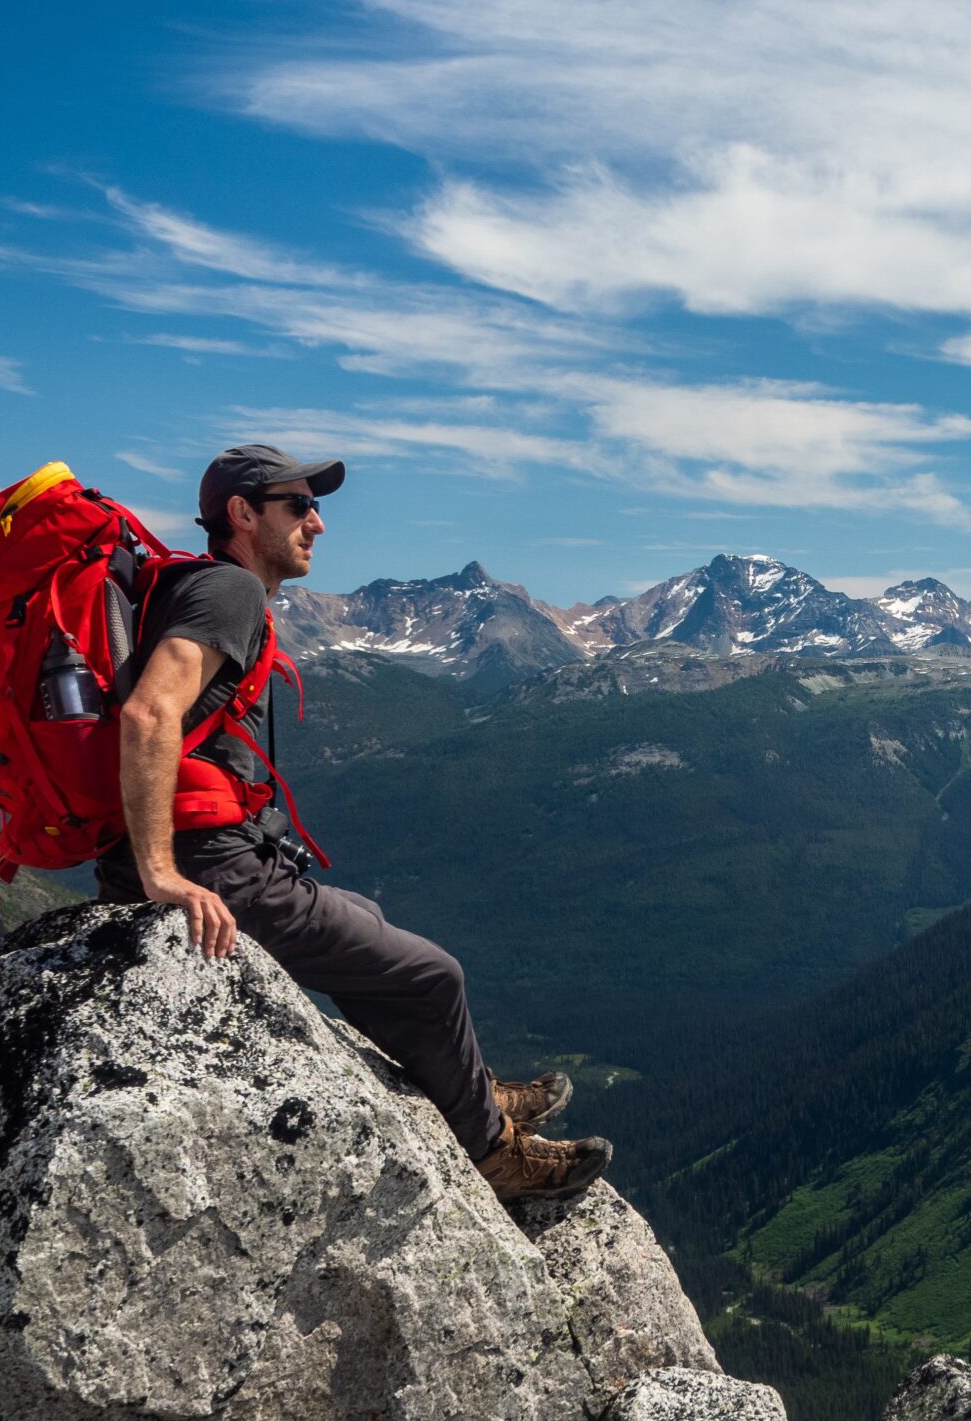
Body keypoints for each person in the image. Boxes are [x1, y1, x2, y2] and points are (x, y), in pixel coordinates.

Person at [94, 442, 610, 1204]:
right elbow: (149, 712)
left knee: (366, 921)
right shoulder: (230, 590)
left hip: (218, 850)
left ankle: (470, 1086)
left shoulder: (205, 586)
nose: (319, 524)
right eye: (298, 506)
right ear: (242, 514)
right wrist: (159, 872)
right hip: (215, 865)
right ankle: (494, 1153)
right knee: (435, 975)